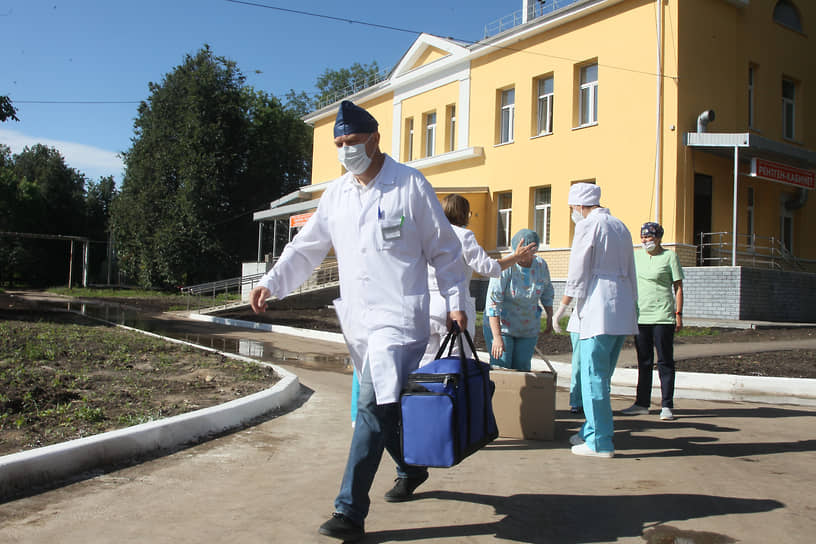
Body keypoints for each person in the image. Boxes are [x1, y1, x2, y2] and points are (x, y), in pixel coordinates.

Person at [249, 100, 468, 542]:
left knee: (370, 404)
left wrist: (456, 299)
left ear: (374, 139)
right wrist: (272, 281)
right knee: (385, 406)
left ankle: (349, 511)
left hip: (400, 320)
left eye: (352, 142)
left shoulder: (409, 186)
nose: (346, 150)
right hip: (359, 323)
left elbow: (446, 249)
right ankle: (410, 467)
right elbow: (307, 245)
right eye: (339, 144)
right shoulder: (338, 192)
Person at [552, 183, 637, 458]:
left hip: (598, 308)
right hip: (621, 308)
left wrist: (562, 306)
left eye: (571, 209)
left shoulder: (588, 225)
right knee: (602, 377)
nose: (572, 214)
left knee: (592, 378)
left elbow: (578, 269)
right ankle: (591, 430)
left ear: (579, 205)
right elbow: (632, 271)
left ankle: (600, 442)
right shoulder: (620, 226)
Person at [420, 194, 536, 366]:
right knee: (454, 366)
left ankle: (425, 392)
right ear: (465, 214)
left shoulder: (428, 236)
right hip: (454, 308)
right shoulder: (463, 236)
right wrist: (515, 257)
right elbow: (488, 268)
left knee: (425, 364)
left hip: (427, 309)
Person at [620, 221, 685, 421]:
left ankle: (667, 405)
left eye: (649, 237)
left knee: (665, 360)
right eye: (643, 237)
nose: (645, 240)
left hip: (663, 316)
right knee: (644, 361)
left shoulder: (669, 257)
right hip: (641, 316)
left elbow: (678, 287)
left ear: (658, 238)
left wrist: (678, 313)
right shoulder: (636, 257)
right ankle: (642, 403)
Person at [482, 228, 554, 371]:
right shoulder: (505, 266)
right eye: (522, 251)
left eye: (530, 252)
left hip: (527, 329)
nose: (526, 256)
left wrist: (550, 319)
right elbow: (493, 303)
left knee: (522, 370)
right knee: (501, 369)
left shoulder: (540, 265)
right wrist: (496, 337)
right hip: (502, 327)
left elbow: (547, 292)